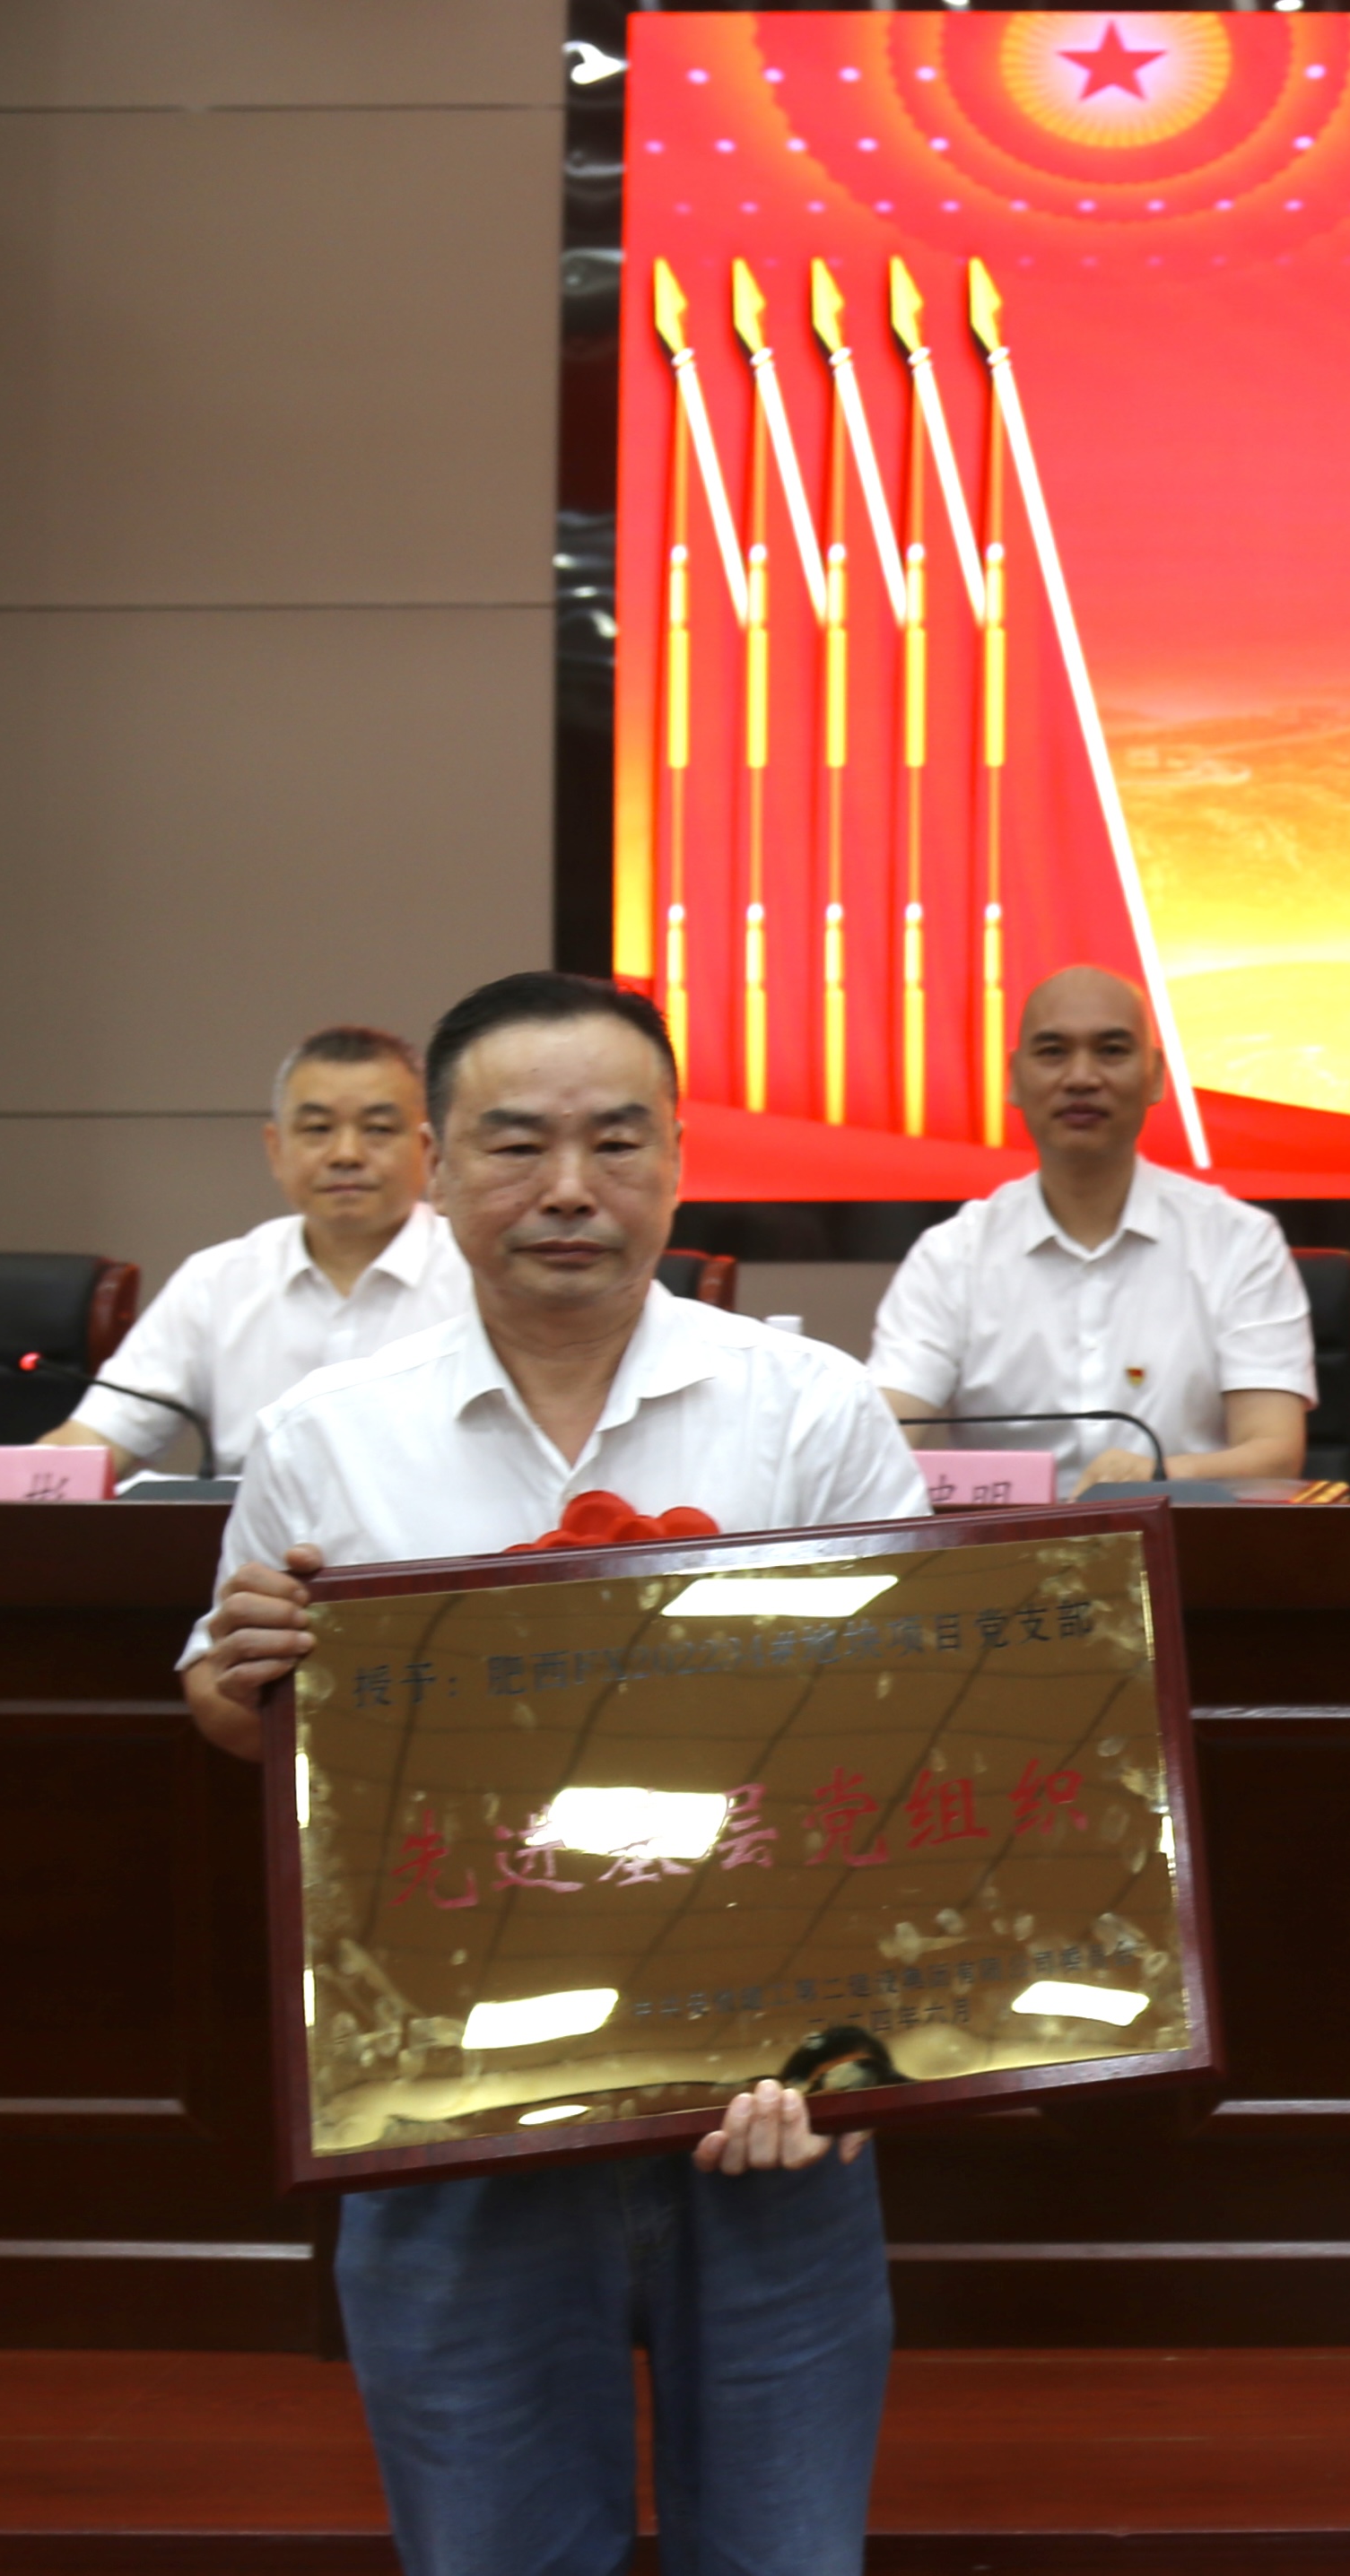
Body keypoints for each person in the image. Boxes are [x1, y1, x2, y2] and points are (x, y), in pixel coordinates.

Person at [181, 970, 928, 2576]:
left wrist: (855, 2063)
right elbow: (240, 1710)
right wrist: (237, 1678)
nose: (570, 1189)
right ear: (440, 1168)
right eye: (517, 1145)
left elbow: (900, 1748)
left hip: (767, 2099)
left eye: (617, 1142)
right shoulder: (326, 1434)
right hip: (453, 2117)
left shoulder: (808, 1412)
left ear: (679, 1162)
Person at [870, 966, 1313, 1492]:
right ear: (1013, 1078)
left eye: (1111, 1051)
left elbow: (1274, 1454)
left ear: (1155, 1076)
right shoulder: (952, 1255)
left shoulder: (1239, 1242)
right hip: (1008, 1541)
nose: (1081, 1077)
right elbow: (881, 1437)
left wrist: (1157, 1478)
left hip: (1182, 1533)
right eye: (1053, 1052)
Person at [42, 1026, 467, 1475]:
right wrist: (24, 1483)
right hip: (253, 1522)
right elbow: (96, 1439)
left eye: (377, 1129)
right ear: (275, 1149)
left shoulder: (478, 1273)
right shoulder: (216, 1281)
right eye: (318, 1129)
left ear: (428, 1149)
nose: (346, 1154)